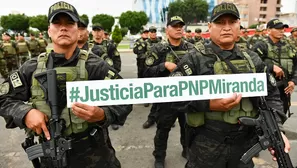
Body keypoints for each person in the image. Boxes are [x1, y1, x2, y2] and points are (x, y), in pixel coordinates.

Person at [0, 1, 132, 167]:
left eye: (69, 23)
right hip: (51, 157)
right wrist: (25, 113)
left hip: (96, 156)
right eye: (57, 23)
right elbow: (4, 98)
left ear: (78, 31)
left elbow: (125, 98)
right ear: (49, 30)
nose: (63, 28)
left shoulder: (95, 66)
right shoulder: (31, 68)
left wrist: (103, 114)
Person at [170, 3, 290, 168]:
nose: (226, 27)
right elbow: (171, 94)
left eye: (232, 22)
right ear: (210, 27)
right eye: (220, 22)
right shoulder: (194, 59)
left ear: (239, 27)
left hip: (244, 146)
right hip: (206, 145)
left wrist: (277, 131)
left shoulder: (253, 60)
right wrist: (209, 104)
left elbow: (271, 96)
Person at [143, 16, 194, 168]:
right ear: (167, 29)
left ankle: (186, 149)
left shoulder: (191, 49)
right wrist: (163, 65)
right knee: (163, 129)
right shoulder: (158, 49)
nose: (179, 28)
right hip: (166, 98)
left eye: (181, 26)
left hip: (186, 97)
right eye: (175, 26)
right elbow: (146, 71)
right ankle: (159, 157)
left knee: (187, 127)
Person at [252, 19, 297, 116]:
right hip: (266, 88)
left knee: (282, 114)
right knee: (267, 117)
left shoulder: (289, 46)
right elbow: (252, 64)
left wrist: (293, 81)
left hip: (284, 88)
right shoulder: (261, 45)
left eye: (282, 28)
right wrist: (271, 67)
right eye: (277, 28)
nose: (281, 31)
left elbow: (296, 65)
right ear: (268, 30)